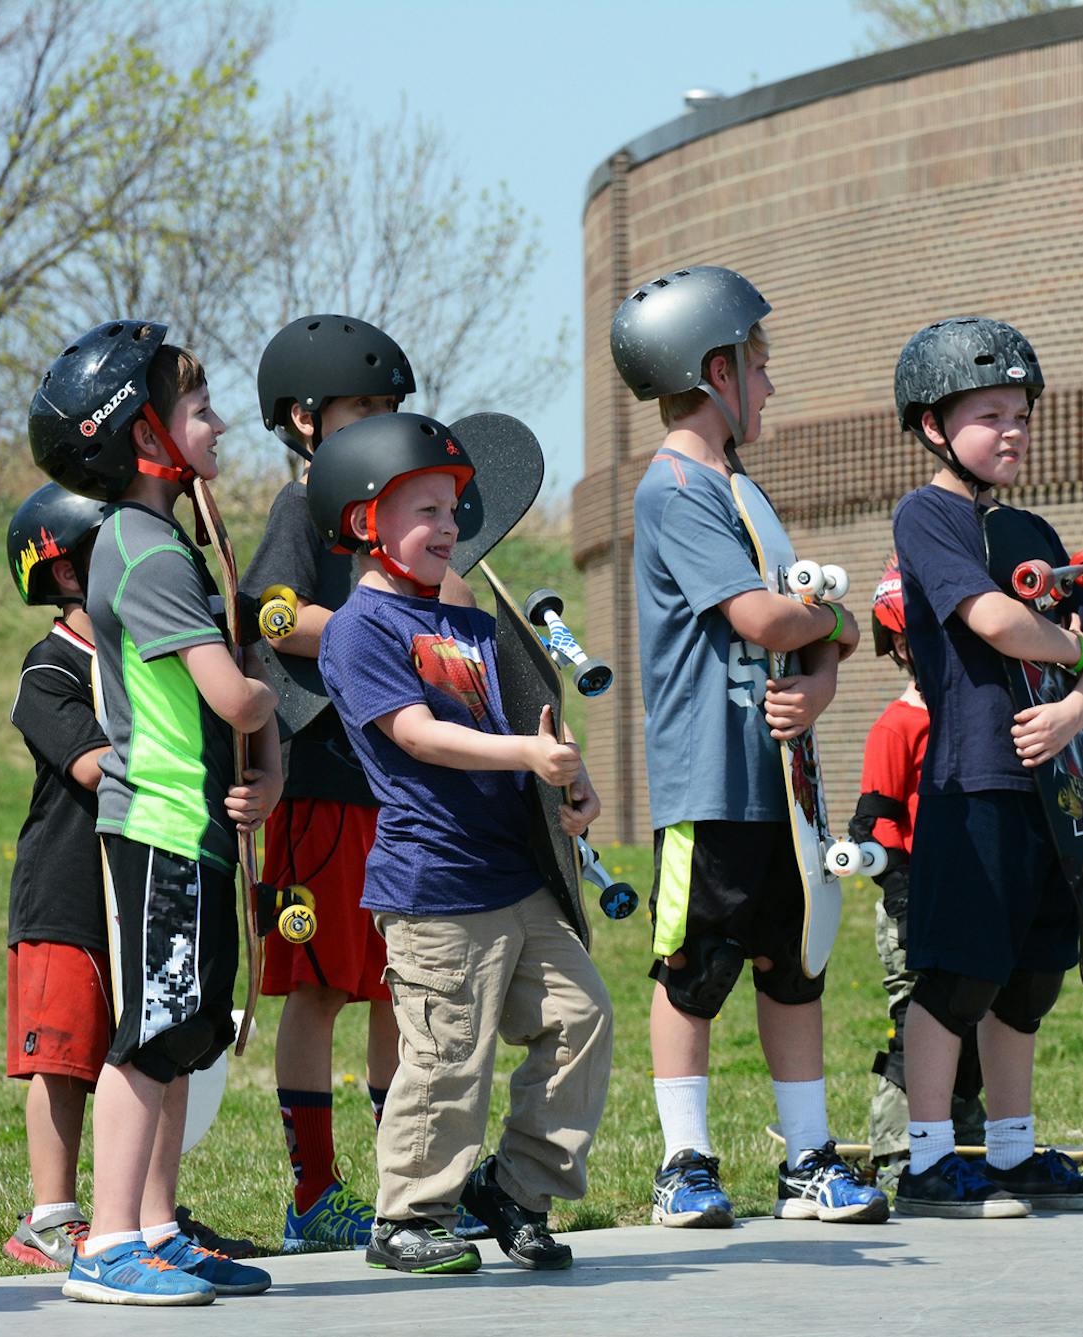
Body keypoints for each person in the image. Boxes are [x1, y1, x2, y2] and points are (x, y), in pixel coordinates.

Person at [612, 265, 886, 1229]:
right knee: (692, 969)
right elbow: (768, 617)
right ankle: (684, 1163)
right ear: (715, 368)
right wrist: (832, 627)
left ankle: (808, 1158)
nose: (770, 386)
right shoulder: (676, 488)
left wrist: (825, 674)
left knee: (791, 964)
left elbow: (808, 637)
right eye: (759, 366)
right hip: (710, 779)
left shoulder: (742, 486)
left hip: (782, 785)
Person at [312, 412, 614, 1275]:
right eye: (425, 511)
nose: (449, 527)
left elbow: (522, 723)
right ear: (366, 522)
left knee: (581, 1017)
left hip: (514, 872)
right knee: (448, 1056)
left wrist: (565, 774)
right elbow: (415, 733)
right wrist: (525, 752)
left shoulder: (469, 624)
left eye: (452, 509)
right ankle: (407, 1215)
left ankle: (516, 1188)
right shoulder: (360, 628)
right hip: (434, 880)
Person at [30, 321, 280, 1305]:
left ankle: (160, 1228)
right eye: (200, 407)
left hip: (194, 827)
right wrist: (268, 690)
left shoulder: (152, 540)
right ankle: (109, 1242)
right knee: (152, 1033)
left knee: (189, 1032)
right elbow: (231, 696)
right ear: (144, 436)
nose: (218, 424)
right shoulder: (146, 550)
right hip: (164, 829)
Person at [887, 316, 1083, 1217]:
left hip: (1054, 787)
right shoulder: (928, 514)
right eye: (991, 413)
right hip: (972, 778)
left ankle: (1014, 1153)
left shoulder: (1031, 523)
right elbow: (993, 620)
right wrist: (1078, 652)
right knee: (959, 975)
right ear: (933, 425)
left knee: (1030, 977)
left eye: (1021, 411)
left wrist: (1074, 707)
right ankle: (926, 1163)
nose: (1013, 429)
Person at [244, 315, 428, 1252]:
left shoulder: (390, 516)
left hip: (392, 784)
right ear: (307, 419)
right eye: (362, 407)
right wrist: (376, 630)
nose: (380, 423)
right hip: (318, 781)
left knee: (396, 983)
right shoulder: (300, 507)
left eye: (391, 407)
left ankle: (409, 1189)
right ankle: (313, 1194)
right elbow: (275, 616)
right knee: (318, 987)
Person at [1, 485, 115, 1271]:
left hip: (129, 887)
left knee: (127, 1052)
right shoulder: (49, 666)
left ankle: (126, 1210)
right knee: (63, 1058)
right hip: (63, 893)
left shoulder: (142, 659)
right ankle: (49, 1214)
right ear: (70, 573)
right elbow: (90, 763)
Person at [850, 555, 987, 1194]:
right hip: (912, 897)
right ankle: (900, 1149)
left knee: (972, 1015)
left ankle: (966, 1135)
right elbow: (876, 823)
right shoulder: (896, 725)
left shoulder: (971, 717)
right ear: (901, 645)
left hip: (972, 891)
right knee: (913, 1019)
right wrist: (902, 896)